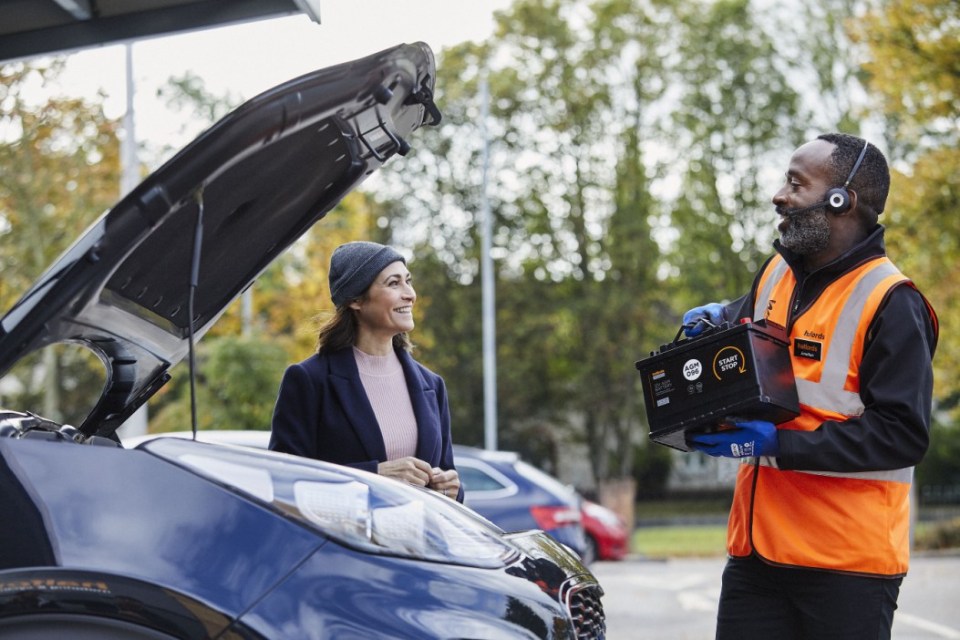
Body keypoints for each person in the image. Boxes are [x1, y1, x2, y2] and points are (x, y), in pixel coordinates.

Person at [682, 133, 938, 640]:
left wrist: (781, 443)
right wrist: (717, 326)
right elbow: (747, 344)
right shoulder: (776, 273)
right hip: (756, 558)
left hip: (846, 568)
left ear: (842, 200)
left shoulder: (893, 302)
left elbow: (902, 435)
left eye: (796, 184)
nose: (780, 195)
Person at [269, 240, 462, 502]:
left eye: (408, 281)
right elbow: (283, 482)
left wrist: (453, 489)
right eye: (394, 284)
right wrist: (373, 476)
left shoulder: (432, 385)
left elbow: (446, 479)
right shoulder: (308, 380)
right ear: (356, 299)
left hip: (414, 541)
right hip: (341, 542)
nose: (410, 294)